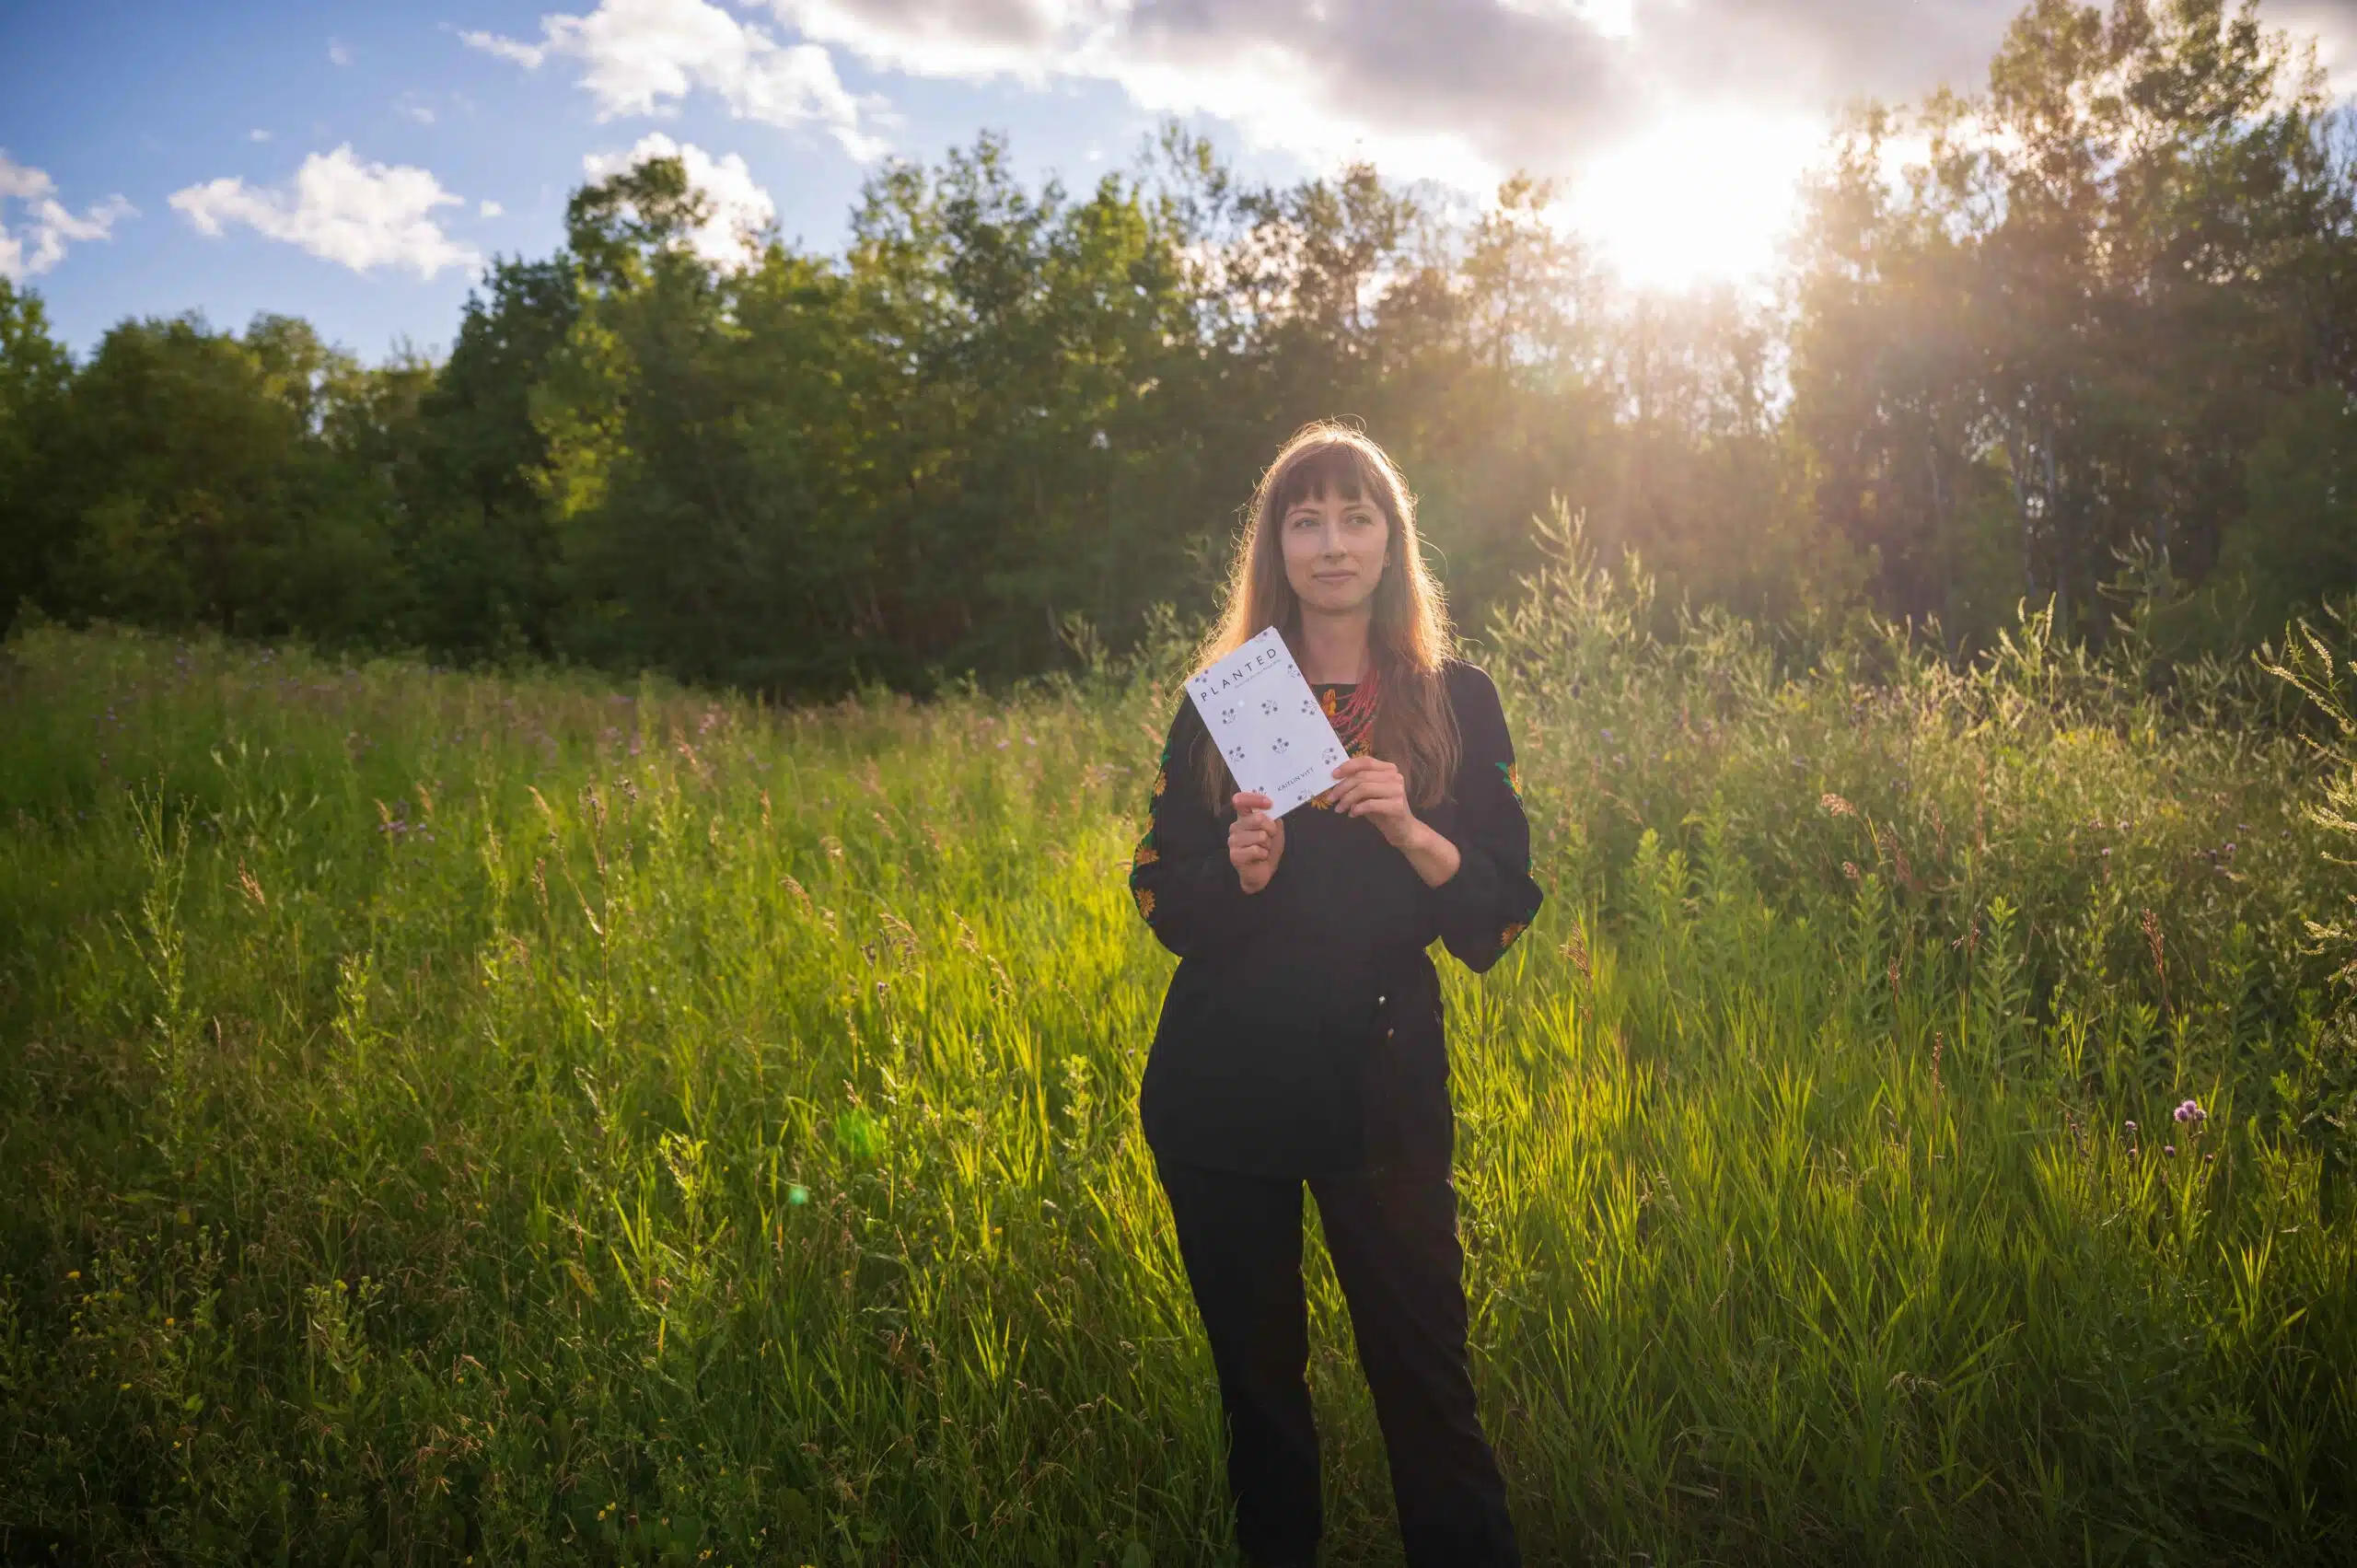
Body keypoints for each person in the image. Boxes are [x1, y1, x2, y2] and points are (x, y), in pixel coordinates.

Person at [1127, 422, 1542, 1567]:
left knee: (1426, 1380)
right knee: (1259, 1394)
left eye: (1355, 516)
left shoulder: (1456, 698)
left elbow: (1504, 905)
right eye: (1304, 518)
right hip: (1226, 1086)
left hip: (1381, 1082)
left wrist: (1413, 827)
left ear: (1391, 539)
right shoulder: (1224, 696)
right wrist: (1238, 872)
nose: (1330, 542)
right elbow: (1159, 889)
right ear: (1273, 542)